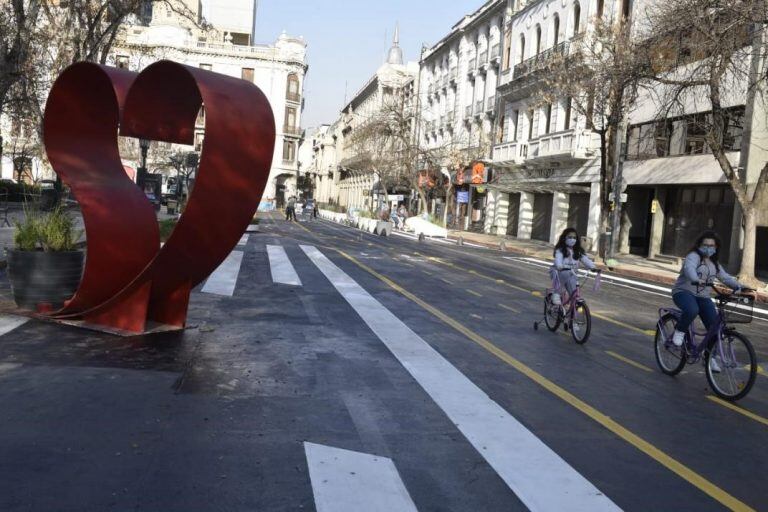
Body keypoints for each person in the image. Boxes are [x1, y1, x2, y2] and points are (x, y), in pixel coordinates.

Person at [670, 231, 752, 347]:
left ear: (716, 247)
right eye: (705, 245)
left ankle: (709, 358)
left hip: (703, 297)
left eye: (711, 246)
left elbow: (725, 278)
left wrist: (740, 287)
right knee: (692, 310)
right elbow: (689, 269)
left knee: (714, 328)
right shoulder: (693, 256)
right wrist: (696, 279)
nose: (708, 248)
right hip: (684, 292)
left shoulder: (714, 263)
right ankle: (680, 331)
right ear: (699, 245)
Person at [550, 228, 599, 305]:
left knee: (573, 293)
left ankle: (571, 310)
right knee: (563, 276)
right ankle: (556, 294)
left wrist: (593, 267)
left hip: (572, 273)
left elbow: (585, 259)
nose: (572, 239)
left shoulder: (578, 251)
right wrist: (559, 266)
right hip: (559, 272)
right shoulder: (560, 250)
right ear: (564, 238)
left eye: (574, 238)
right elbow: (558, 258)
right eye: (570, 237)